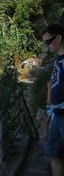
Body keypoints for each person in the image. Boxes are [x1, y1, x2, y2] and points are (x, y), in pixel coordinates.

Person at [42, 23, 64, 176]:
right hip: (56, 115)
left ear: (60, 38)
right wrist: (49, 113)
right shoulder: (57, 60)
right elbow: (52, 84)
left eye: (48, 41)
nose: (46, 45)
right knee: (55, 156)